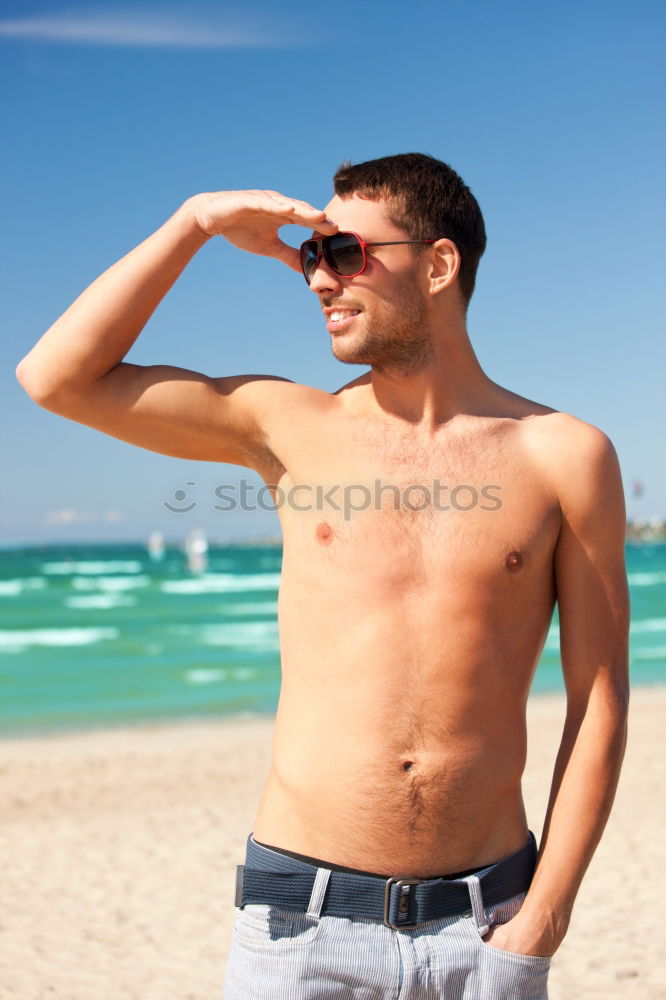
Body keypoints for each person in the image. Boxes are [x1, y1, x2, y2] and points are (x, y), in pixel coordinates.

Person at [16, 153, 630, 999]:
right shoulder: (289, 426)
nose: (318, 281)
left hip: (488, 926)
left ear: (440, 264)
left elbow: (598, 696)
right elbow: (54, 379)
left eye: (344, 254)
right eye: (312, 258)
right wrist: (193, 222)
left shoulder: (566, 455)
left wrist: (542, 921)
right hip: (299, 933)